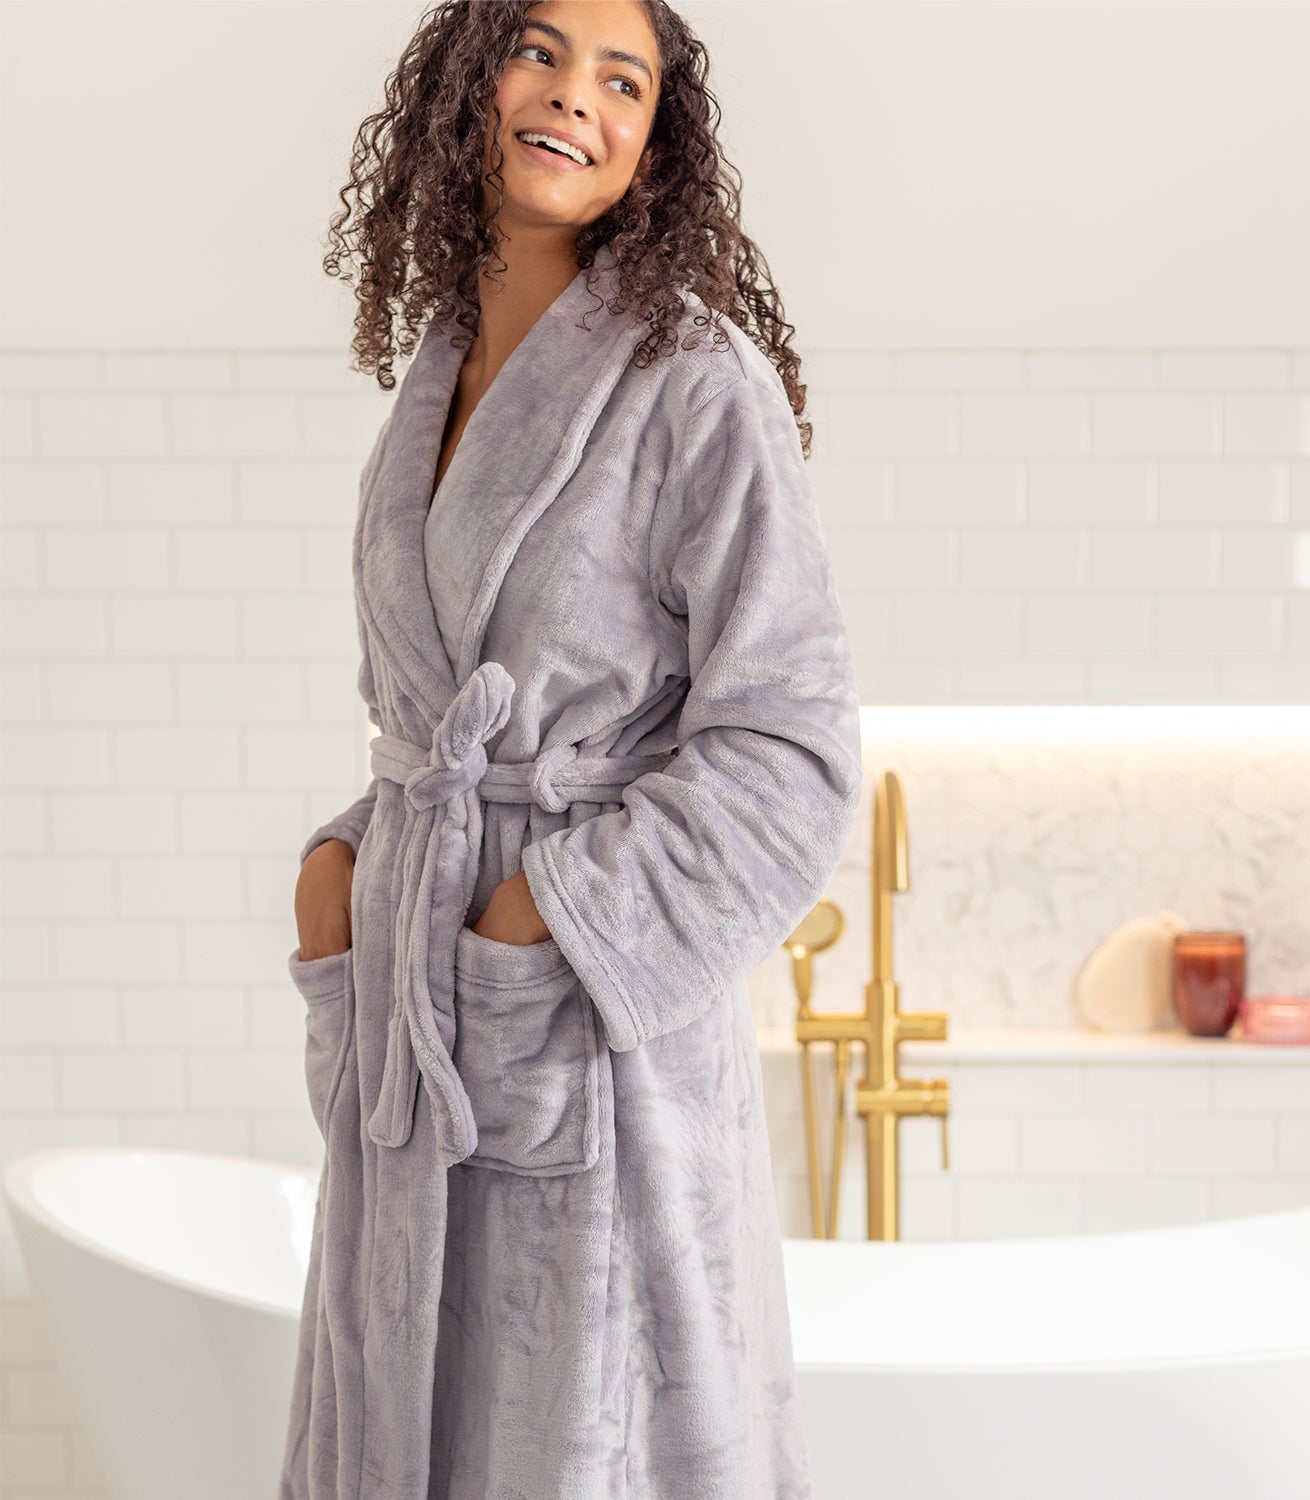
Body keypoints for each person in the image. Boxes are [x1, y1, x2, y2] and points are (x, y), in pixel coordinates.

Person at [282, 2, 862, 1496]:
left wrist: (547, 919)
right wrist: (346, 868)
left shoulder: (695, 380)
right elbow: (442, 718)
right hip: (418, 1029)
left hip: (586, 1041)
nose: (577, 100)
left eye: (627, 81)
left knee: (571, 1438)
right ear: (471, 77)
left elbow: (789, 754)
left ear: (656, 138)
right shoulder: (436, 372)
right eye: (542, 52)